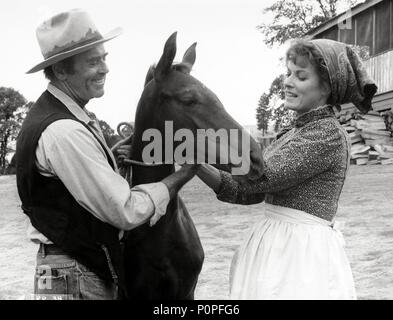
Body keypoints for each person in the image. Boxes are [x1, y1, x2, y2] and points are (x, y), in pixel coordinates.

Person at [16, 8, 198, 300]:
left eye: (104, 58)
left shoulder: (63, 118)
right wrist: (180, 177)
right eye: (92, 61)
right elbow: (125, 211)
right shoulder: (65, 131)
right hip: (75, 275)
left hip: (67, 272)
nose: (104, 68)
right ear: (61, 70)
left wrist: (110, 161)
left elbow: (73, 191)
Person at [196, 38, 377, 299]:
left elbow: (261, 178)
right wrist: (196, 164)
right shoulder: (295, 131)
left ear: (326, 87)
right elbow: (246, 192)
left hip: (300, 256)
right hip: (279, 245)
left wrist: (200, 145)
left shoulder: (326, 134)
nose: (288, 82)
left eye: (300, 76)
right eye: (289, 73)